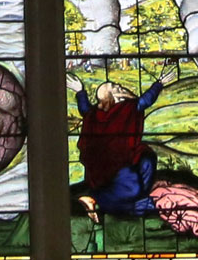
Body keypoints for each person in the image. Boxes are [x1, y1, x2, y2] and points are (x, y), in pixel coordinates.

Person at [67, 63, 178, 219]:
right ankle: (95, 199)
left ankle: (137, 201)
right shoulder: (125, 109)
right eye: (114, 87)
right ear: (113, 97)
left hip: (124, 157)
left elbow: (85, 109)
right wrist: (159, 84)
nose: (119, 85)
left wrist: (80, 91)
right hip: (113, 165)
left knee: (148, 159)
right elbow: (145, 101)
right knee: (132, 188)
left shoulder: (100, 113)